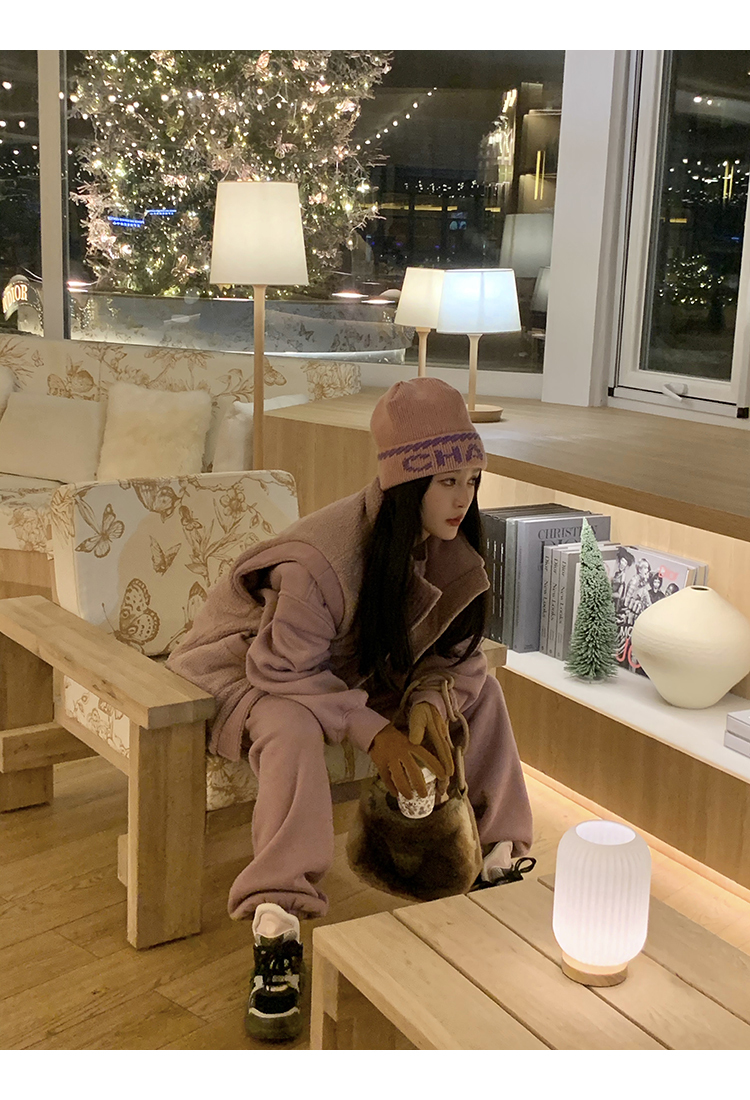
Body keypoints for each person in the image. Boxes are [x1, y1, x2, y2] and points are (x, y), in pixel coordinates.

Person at [166, 377, 533, 1043]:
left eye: (472, 480)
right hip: (248, 667)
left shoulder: (442, 544)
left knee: (483, 691)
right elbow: (281, 671)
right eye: (447, 482)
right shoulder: (320, 561)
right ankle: (276, 921)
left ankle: (498, 859)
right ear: (406, 482)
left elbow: (453, 656)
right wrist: (377, 735)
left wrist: (426, 703)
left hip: (347, 670)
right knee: (290, 726)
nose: (464, 498)